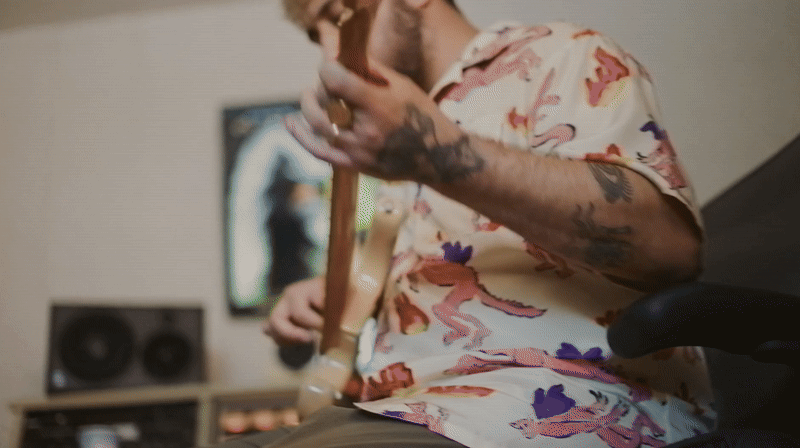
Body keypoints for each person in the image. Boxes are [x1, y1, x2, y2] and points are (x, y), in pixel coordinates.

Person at [227, 0, 714, 446]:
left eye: (337, 17)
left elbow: (669, 248)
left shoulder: (563, 55)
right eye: (318, 38)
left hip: (566, 405)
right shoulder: (390, 131)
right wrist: (342, 296)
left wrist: (438, 155)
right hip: (410, 413)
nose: (331, 53)